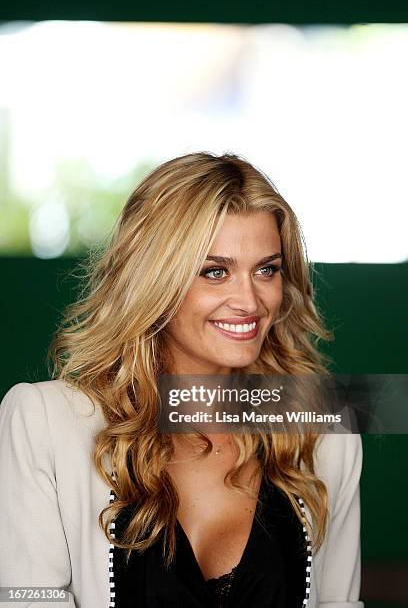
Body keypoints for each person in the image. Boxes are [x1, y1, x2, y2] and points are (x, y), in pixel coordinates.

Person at [0, 152, 364, 608]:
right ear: (155, 281)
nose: (249, 301)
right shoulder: (43, 420)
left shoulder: (324, 430)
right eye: (216, 272)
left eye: (266, 269)